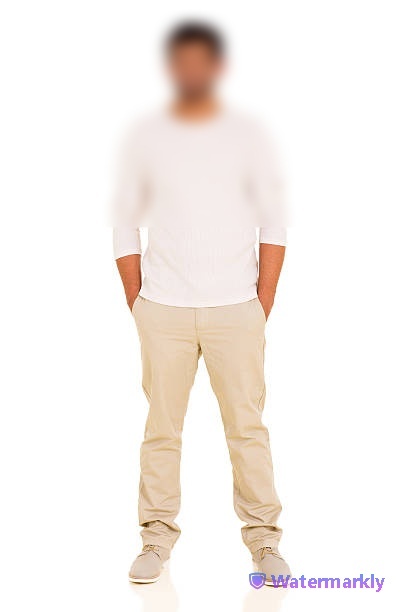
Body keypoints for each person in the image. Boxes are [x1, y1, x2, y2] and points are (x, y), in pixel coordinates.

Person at [113, 21, 291, 585]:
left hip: (236, 309)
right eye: (181, 61)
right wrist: (138, 301)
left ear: (216, 67)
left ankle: (264, 541)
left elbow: (274, 221)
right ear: (172, 68)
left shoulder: (249, 136)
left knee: (247, 428)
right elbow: (123, 219)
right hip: (162, 309)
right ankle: (155, 538)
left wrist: (261, 302)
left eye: (201, 61)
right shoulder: (146, 137)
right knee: (161, 430)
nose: (191, 70)